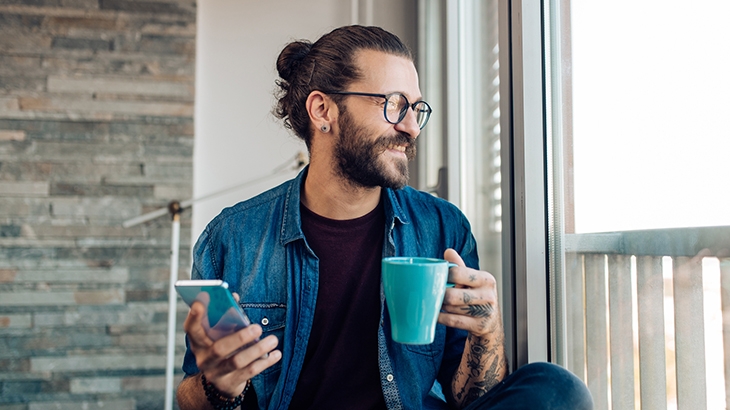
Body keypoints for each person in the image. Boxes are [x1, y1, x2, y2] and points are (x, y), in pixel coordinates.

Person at [176, 25, 593, 410]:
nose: (411, 127)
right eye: (394, 104)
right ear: (323, 110)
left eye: (416, 108)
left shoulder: (443, 228)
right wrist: (218, 384)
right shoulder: (233, 237)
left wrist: (487, 332)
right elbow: (191, 394)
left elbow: (470, 398)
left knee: (555, 387)